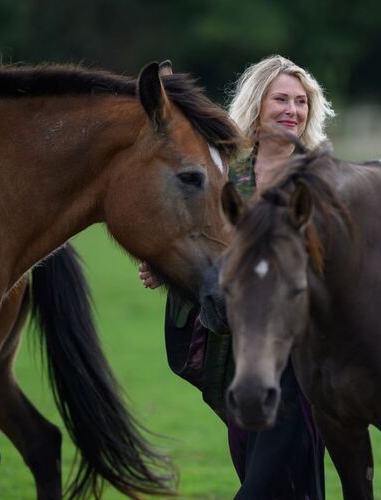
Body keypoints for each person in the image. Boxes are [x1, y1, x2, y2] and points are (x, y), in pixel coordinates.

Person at [139, 55, 335, 499]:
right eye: (280, 99)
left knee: (263, 483)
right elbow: (204, 244)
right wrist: (163, 269)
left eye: (302, 102)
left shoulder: (321, 178)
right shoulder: (226, 175)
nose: (293, 110)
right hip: (239, 354)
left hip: (300, 355)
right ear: (257, 103)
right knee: (280, 477)